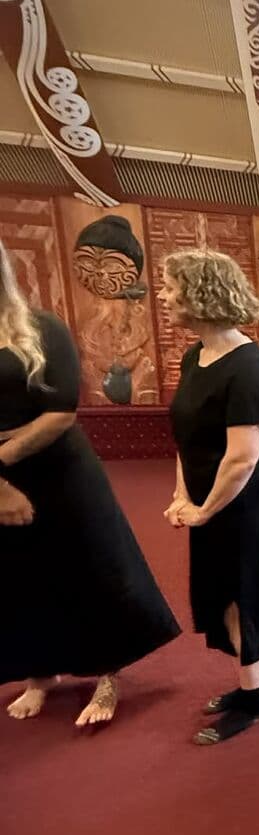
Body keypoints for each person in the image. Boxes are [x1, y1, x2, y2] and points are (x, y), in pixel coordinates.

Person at [0, 240, 179, 727]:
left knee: (91, 564)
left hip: (60, 469)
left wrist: (4, 458)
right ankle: (40, 674)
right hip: (0, 475)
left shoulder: (41, 328)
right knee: (17, 575)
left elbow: (60, 412)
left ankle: (107, 673)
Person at [161, 249, 259, 745]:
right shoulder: (197, 355)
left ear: (200, 295)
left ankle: (253, 699)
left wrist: (204, 509)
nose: (166, 297)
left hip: (244, 505)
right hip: (208, 501)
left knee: (243, 592)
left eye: (172, 288)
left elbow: (242, 459)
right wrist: (180, 495)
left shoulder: (249, 367)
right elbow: (187, 437)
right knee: (219, 591)